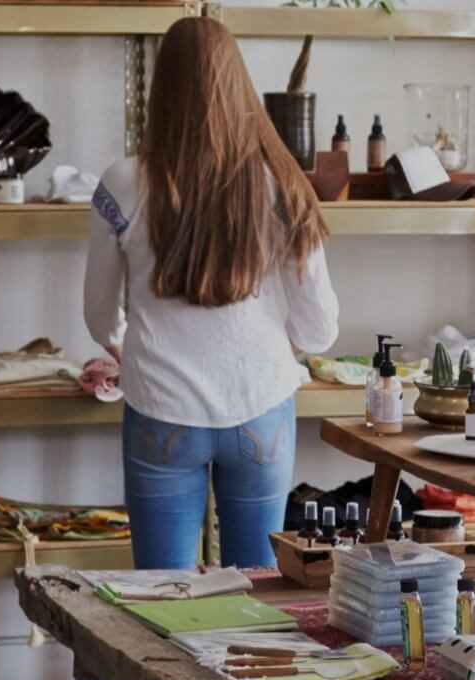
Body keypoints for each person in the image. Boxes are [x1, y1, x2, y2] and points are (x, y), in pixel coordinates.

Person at [82, 15, 341, 571]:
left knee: (164, 597)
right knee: (259, 595)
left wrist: (130, 354)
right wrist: (274, 349)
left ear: (161, 89)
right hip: (262, 408)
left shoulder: (121, 182)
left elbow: (99, 316)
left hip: (160, 409)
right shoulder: (282, 181)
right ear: (237, 83)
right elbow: (319, 329)